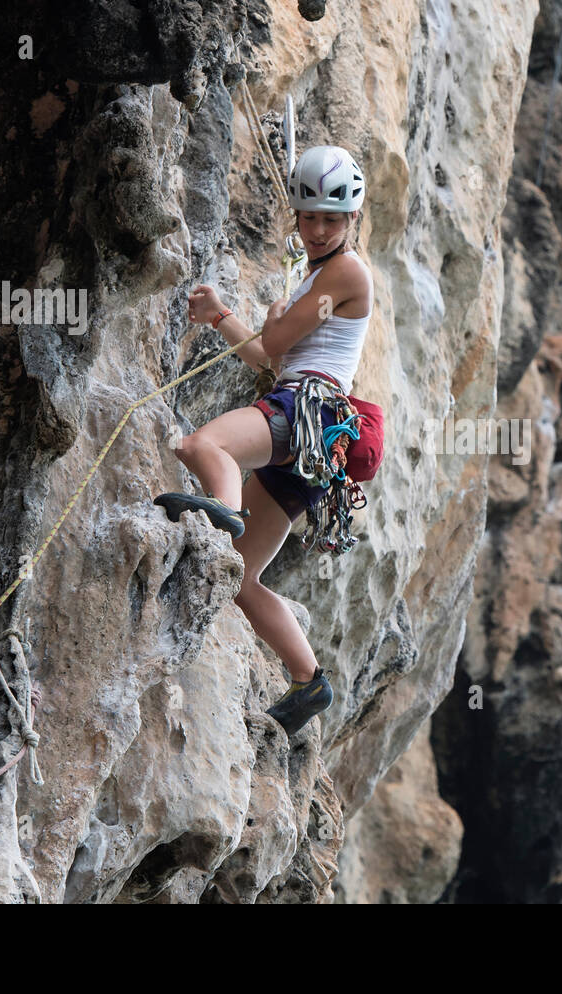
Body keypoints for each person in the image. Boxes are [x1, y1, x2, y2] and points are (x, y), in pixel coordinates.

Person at [154, 145, 372, 736]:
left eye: (332, 218)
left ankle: (222, 513)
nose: (319, 229)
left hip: (305, 411)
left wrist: (280, 314)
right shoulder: (316, 278)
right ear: (297, 217)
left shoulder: (346, 274)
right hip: (311, 433)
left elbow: (275, 345)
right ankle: (308, 681)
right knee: (243, 579)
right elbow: (263, 354)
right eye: (309, 217)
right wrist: (223, 314)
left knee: (201, 447)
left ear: (353, 219)